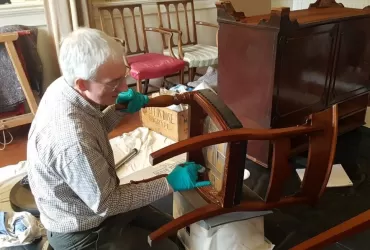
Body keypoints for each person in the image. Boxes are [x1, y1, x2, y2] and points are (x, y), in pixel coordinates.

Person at [26, 27, 211, 250]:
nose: (124, 87)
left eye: (123, 76)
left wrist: (118, 110)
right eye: (113, 83)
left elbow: (93, 130)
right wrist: (169, 182)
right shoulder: (71, 140)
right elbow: (107, 203)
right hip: (83, 231)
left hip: (98, 205)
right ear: (82, 84)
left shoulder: (63, 87)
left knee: (177, 233)